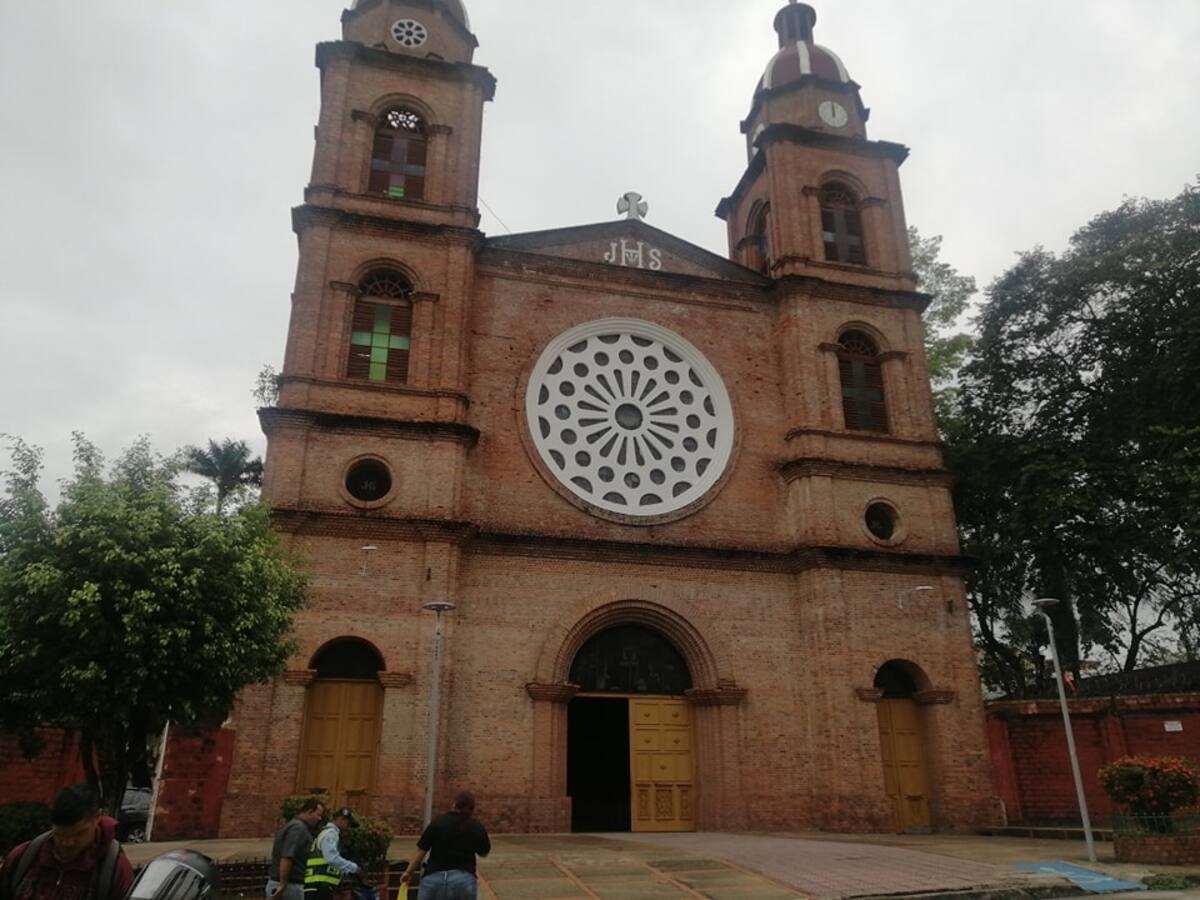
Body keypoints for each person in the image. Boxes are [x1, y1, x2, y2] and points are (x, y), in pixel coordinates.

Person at [0, 783, 134, 900]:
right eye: (59, 834)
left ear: (97, 817)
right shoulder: (24, 857)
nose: (67, 843)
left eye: (78, 834)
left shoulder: (114, 870)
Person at [398, 793, 490, 899]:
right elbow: (484, 853)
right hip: (463, 882)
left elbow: (421, 851)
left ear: (454, 805)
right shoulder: (476, 826)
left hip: (433, 880)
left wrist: (408, 873)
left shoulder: (437, 823)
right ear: (472, 809)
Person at [267, 798, 325, 900]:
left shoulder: (295, 826)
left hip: (287, 884)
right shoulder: (298, 829)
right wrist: (282, 885)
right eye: (318, 814)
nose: (319, 819)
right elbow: (287, 857)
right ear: (309, 811)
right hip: (290, 886)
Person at [303, 808, 360, 900]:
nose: (348, 828)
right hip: (319, 886)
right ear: (341, 819)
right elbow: (332, 858)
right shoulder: (330, 834)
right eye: (348, 824)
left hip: (317, 885)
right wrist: (354, 868)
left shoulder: (327, 833)